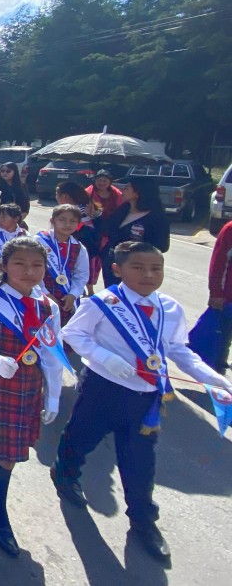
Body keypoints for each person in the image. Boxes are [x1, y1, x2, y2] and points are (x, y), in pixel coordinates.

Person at [51, 242, 232, 561]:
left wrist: (210, 377)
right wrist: (105, 357)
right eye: (138, 267)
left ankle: (143, 521)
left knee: (140, 464)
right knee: (81, 437)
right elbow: (73, 334)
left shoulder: (170, 307)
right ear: (118, 270)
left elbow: (178, 349)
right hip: (104, 389)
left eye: (156, 268)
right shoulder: (103, 303)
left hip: (147, 399)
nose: (148, 275)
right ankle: (65, 471)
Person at [0, 237, 64, 557]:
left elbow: (53, 354)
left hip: (26, 388)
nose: (29, 271)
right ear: (5, 266)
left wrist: (52, 398)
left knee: (6, 451)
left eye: (37, 265)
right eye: (20, 264)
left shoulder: (48, 306)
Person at [100, 176, 170, 287]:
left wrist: (134, 247)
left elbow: (162, 245)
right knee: (112, 296)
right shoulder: (122, 210)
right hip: (113, 263)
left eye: (127, 188)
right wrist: (96, 216)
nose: (123, 191)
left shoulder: (157, 217)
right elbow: (106, 230)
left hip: (136, 267)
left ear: (137, 193)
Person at [36, 205, 90, 324]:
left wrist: (73, 294)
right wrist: (46, 293)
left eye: (72, 221)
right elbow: (32, 271)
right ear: (52, 221)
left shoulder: (79, 248)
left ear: (78, 224)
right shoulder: (38, 241)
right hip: (39, 294)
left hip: (66, 299)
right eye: (62, 220)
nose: (67, 225)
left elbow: (81, 275)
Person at [208, 220, 232, 371]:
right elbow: (219, 262)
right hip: (228, 299)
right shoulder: (230, 229)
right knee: (222, 338)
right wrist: (216, 292)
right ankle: (217, 373)